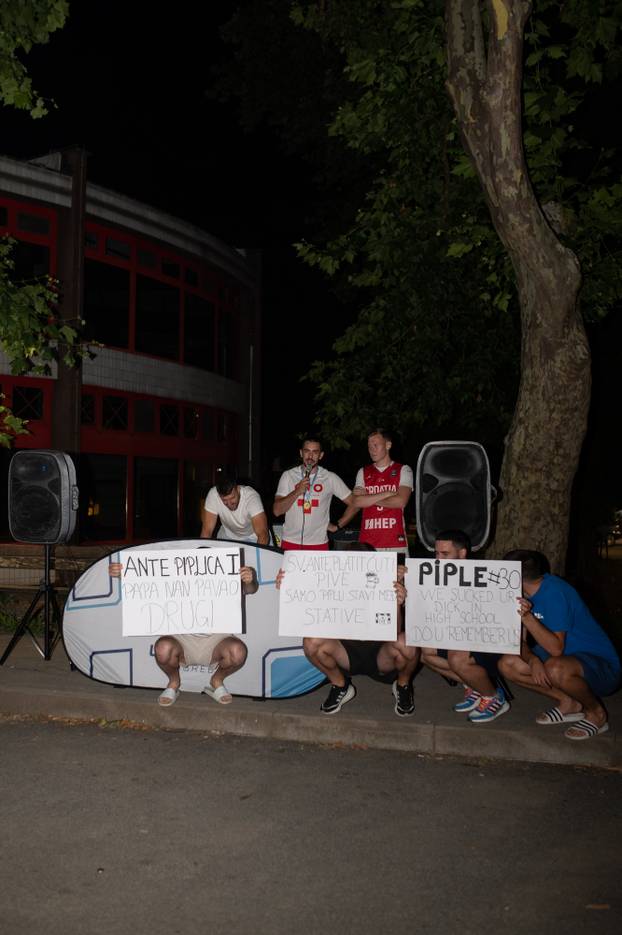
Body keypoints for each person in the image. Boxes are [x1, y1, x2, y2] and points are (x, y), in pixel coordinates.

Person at [499, 549, 620, 740]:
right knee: (507, 663)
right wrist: (532, 660)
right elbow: (518, 642)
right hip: (563, 660)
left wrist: (528, 618)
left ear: (514, 575)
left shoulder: (555, 592)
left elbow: (556, 648)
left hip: (601, 667)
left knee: (555, 668)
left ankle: (597, 713)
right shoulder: (522, 593)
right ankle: (569, 702)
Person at [277, 557, 418, 716]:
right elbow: (306, 610)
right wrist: (289, 585)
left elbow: (394, 632)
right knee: (311, 642)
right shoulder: (332, 582)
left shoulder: (384, 583)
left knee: (407, 642)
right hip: (345, 654)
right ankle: (339, 684)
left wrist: (397, 604)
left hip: (381, 656)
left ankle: (403, 685)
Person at [109, 562, 258, 707]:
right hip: (180, 637)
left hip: (217, 639)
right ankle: (174, 682)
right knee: (163, 648)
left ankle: (217, 680)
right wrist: (125, 575)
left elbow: (250, 589)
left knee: (238, 652)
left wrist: (249, 580)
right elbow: (146, 585)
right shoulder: (176, 577)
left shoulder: (225, 577)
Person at [419, 529, 510, 723]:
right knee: (426, 652)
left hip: (487, 638)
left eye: (445, 554)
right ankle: (475, 686)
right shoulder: (434, 575)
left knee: (457, 657)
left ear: (462, 553)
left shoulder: (484, 575)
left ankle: (493, 696)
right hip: (455, 633)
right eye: (436, 553)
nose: (438, 559)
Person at [333, 428, 412, 559]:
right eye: (369, 446)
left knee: (397, 580)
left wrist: (367, 498)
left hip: (395, 542)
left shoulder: (403, 470)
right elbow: (357, 502)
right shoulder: (363, 472)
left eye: (376, 445)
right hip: (367, 543)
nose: (372, 449)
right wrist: (386, 493)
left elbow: (401, 501)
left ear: (388, 445)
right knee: (368, 580)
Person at [273, 436, 354, 551]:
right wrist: (297, 491)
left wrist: (338, 525)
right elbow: (277, 511)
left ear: (321, 455)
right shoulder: (288, 475)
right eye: (307, 451)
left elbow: (355, 503)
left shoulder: (330, 477)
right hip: (290, 542)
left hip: (319, 544)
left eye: (315, 452)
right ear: (301, 453)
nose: (310, 456)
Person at [201, 474, 270, 545]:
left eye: (232, 498)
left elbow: (263, 534)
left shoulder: (251, 497)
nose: (229, 504)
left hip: (253, 537)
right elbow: (207, 530)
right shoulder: (213, 495)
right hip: (227, 536)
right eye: (224, 500)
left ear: (237, 488)